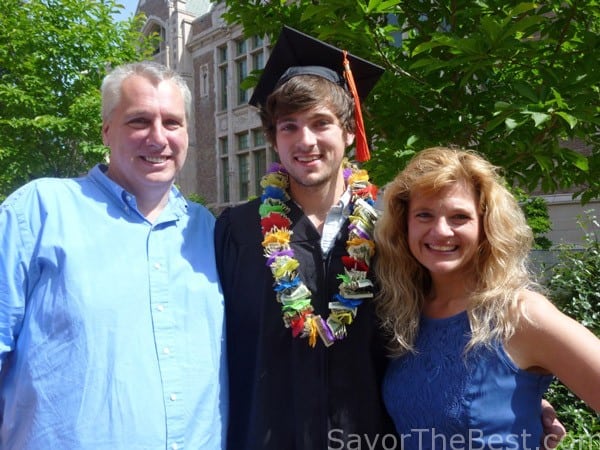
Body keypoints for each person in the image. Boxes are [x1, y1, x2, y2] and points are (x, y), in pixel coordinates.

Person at [215, 27, 564, 450]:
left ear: (349, 132)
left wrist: (516, 395)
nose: (305, 140)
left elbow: (449, 319)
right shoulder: (236, 230)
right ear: (274, 139)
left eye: (321, 123)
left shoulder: (393, 229)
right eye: (289, 127)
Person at [0, 61, 227, 449]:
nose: (158, 138)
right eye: (139, 121)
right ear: (106, 130)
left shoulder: (209, 231)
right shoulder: (38, 212)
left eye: (172, 123)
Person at [375, 146, 600, 449]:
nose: (441, 231)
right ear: (405, 225)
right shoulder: (402, 313)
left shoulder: (520, 314)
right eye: (424, 215)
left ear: (485, 226)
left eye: (459, 217)